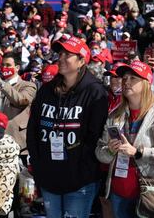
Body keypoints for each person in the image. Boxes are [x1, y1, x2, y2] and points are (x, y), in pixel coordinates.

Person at [27, 36, 108, 218]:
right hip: (49, 177)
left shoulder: (95, 92)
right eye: (60, 53)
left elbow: (95, 137)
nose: (61, 58)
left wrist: (80, 169)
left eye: (68, 55)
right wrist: (39, 164)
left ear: (81, 61)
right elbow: (33, 128)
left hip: (79, 181)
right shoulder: (46, 90)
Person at [95, 60, 154, 218]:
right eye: (124, 78)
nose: (126, 82)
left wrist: (138, 152)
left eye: (133, 78)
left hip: (150, 195)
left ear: (146, 83)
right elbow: (100, 152)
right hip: (118, 192)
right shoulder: (115, 115)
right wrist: (110, 151)